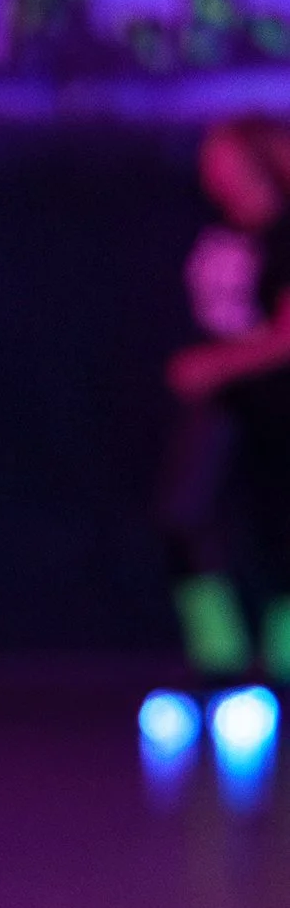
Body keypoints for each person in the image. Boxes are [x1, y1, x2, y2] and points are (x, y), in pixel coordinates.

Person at [160, 115, 290, 682]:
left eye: (224, 158)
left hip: (277, 400)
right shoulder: (216, 230)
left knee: (279, 525)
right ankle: (219, 655)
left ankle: (285, 659)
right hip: (225, 404)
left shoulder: (284, 233)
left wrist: (218, 363)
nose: (212, 171)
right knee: (185, 512)